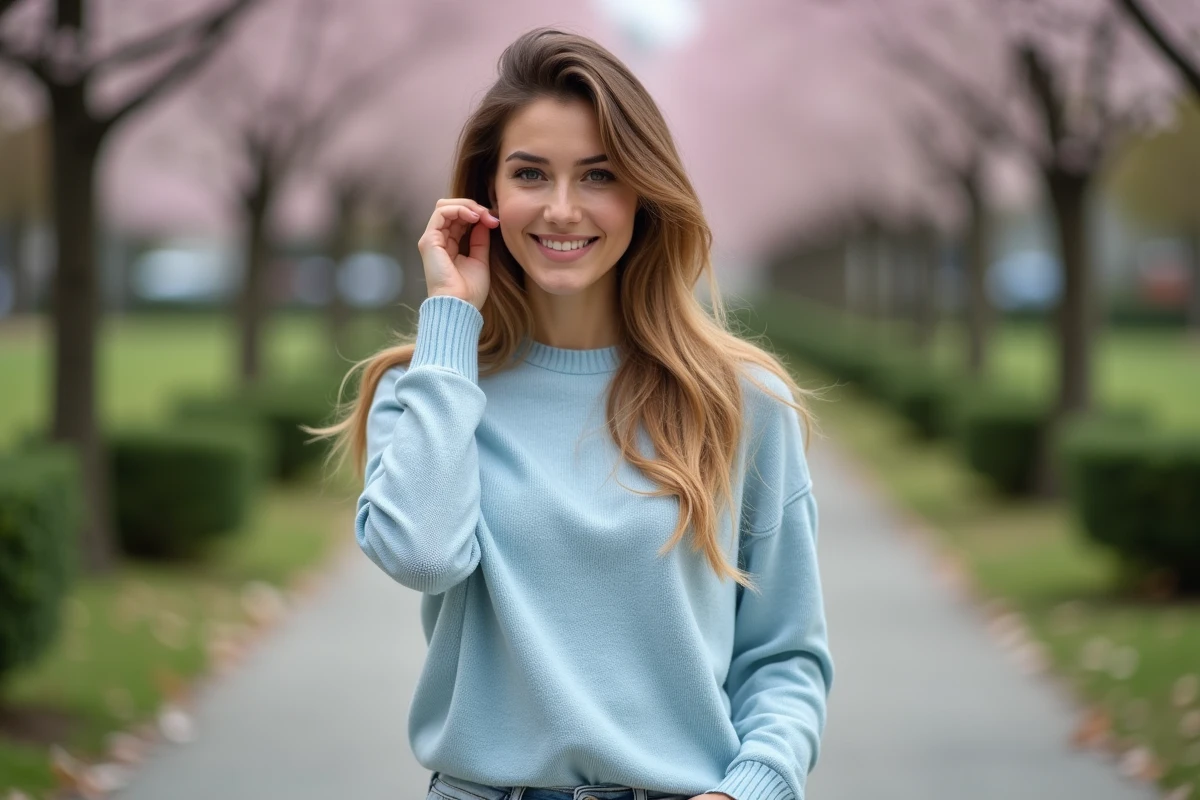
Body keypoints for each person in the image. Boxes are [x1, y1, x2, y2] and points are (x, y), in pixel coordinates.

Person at [306, 27, 834, 800]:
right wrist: (450, 321)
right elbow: (422, 557)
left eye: (598, 175)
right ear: (486, 196)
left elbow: (784, 655)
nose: (561, 209)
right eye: (530, 174)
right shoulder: (429, 391)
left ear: (643, 191)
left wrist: (750, 790)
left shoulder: (740, 402)